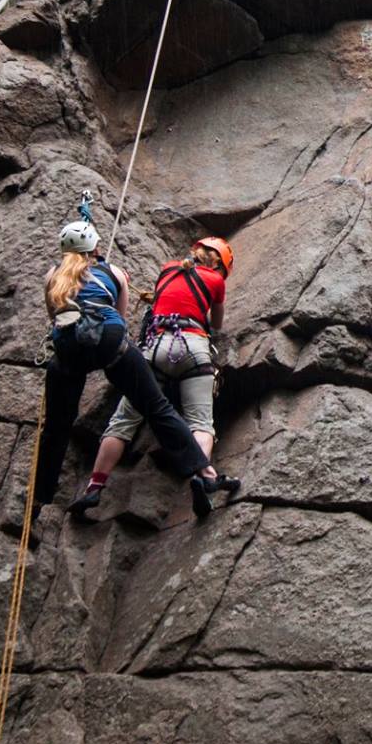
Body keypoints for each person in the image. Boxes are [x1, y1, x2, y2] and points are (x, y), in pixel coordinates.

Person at [38, 218, 219, 522]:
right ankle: (205, 471)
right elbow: (120, 319)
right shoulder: (115, 273)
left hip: (69, 349)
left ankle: (44, 497)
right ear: (97, 246)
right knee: (157, 407)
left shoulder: (52, 276)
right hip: (113, 342)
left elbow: (54, 316)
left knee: (58, 425)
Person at [70, 236, 239, 515]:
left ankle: (94, 488)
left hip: (154, 349)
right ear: (221, 266)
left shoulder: (169, 269)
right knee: (201, 423)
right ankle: (201, 477)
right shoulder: (216, 282)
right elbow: (216, 324)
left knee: (123, 421)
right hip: (193, 346)